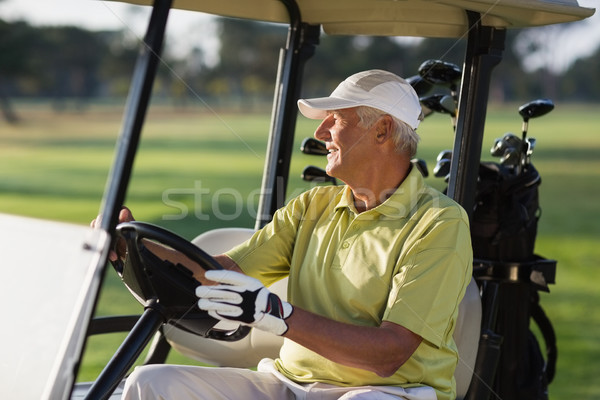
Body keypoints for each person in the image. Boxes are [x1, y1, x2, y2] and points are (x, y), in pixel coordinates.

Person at [111, 70, 473, 400]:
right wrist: (133, 249)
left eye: (336, 119)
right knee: (151, 383)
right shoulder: (313, 205)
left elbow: (388, 355)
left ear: (381, 130)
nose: (320, 133)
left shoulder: (440, 223)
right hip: (289, 384)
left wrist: (280, 316)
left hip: (390, 392)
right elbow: (218, 273)